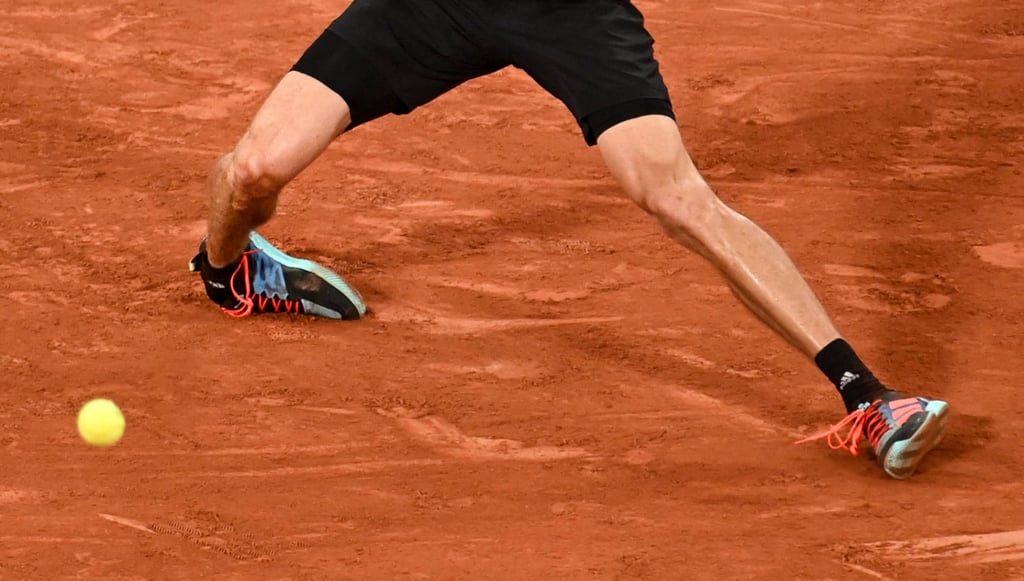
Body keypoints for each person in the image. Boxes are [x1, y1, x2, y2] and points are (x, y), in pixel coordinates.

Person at [188, 0, 949, 479]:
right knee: (253, 169)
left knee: (677, 197)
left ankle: (869, 396)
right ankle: (231, 272)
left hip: (569, 13)